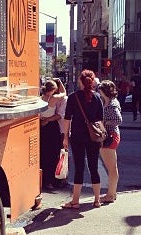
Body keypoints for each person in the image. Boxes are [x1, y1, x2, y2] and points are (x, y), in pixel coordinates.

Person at [61, 69, 104, 209]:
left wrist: (65, 137)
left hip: (77, 137)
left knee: (78, 168)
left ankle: (75, 201)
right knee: (94, 167)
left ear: (80, 81)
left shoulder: (73, 97)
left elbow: (67, 119)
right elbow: (100, 120)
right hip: (93, 137)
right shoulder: (97, 97)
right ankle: (97, 200)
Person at [97, 80, 122, 204]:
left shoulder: (111, 104)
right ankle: (113, 193)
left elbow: (118, 119)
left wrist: (103, 122)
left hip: (109, 136)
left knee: (111, 168)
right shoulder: (110, 102)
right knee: (112, 167)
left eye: (100, 90)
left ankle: (110, 195)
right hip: (111, 136)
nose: (99, 92)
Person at [39, 80, 65, 190]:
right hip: (51, 127)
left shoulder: (39, 99)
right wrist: (60, 82)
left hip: (41, 127)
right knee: (52, 154)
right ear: (53, 90)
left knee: (43, 154)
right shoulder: (53, 99)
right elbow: (64, 93)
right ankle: (50, 181)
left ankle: (42, 180)